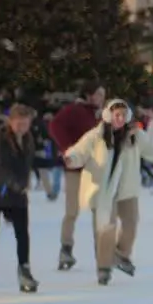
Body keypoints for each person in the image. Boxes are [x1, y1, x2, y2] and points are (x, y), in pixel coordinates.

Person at [61, 99, 153, 286]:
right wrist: (72, 157)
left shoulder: (136, 136)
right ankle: (104, 269)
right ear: (108, 115)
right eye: (116, 114)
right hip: (103, 190)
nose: (119, 118)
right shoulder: (97, 135)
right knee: (106, 229)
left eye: (122, 115)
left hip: (127, 189)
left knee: (131, 223)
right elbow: (80, 150)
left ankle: (120, 255)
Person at [0, 105, 56, 292]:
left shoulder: (28, 139)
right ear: (10, 121)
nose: (22, 127)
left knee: (22, 234)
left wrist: (56, 162)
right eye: (18, 123)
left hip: (17, 194)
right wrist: (17, 184)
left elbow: (31, 161)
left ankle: (25, 272)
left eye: (25, 124)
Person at [49, 85, 105, 270]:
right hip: (75, 170)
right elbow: (55, 125)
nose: (101, 98)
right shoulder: (75, 110)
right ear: (88, 95)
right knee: (72, 211)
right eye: (98, 94)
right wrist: (68, 149)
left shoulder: (99, 116)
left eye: (103, 95)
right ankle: (66, 249)